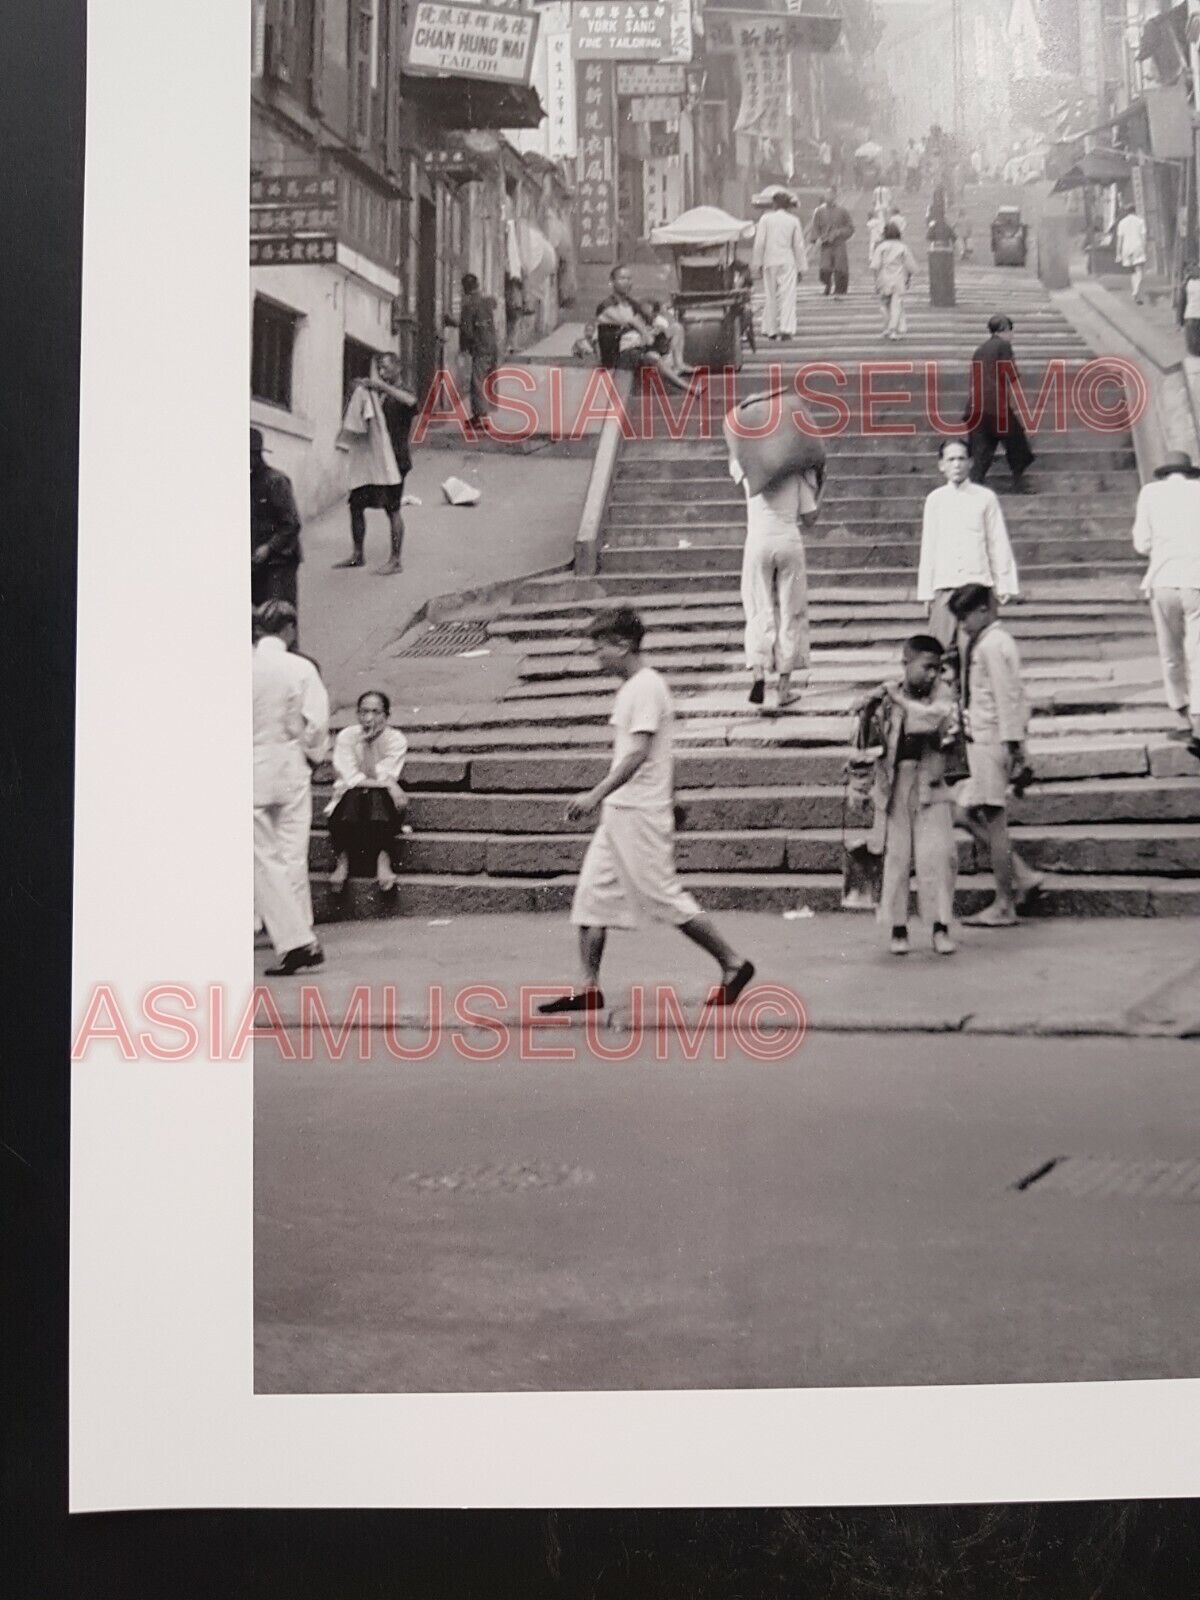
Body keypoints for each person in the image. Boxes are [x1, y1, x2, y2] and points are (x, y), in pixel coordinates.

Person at [537, 607, 755, 1014]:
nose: (596, 656)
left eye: (599, 646)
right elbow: (655, 753)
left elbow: (638, 753)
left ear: (621, 645)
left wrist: (594, 795)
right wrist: (671, 795)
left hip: (638, 812)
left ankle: (733, 963)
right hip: (624, 811)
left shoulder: (645, 686)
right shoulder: (635, 688)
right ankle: (588, 987)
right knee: (591, 897)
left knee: (663, 895)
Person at [850, 635, 960, 956]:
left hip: (932, 782)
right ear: (906, 664)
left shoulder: (942, 697)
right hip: (894, 785)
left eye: (937, 669)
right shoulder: (885, 699)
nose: (932, 675)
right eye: (926, 667)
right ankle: (898, 928)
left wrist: (897, 701)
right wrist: (860, 788)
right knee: (896, 858)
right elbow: (864, 745)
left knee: (938, 855)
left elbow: (931, 720)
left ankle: (940, 926)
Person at [947, 584, 1042, 926]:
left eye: (965, 617)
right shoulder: (990, 643)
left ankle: (1004, 902)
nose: (962, 626)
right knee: (962, 813)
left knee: (993, 821)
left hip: (991, 741)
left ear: (984, 610)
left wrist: (1016, 748)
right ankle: (1023, 875)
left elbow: (1007, 698)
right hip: (985, 740)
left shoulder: (991, 645)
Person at [253, 600, 329, 975]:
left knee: (261, 856)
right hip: (291, 764)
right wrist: (313, 755)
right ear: (290, 629)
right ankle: (300, 930)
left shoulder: (244, 667)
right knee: (291, 851)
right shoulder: (300, 667)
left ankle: (292, 937)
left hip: (251, 766)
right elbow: (315, 722)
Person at [731, 455, 820, 710]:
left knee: (758, 608)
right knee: (791, 612)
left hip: (758, 542)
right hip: (789, 542)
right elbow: (810, 518)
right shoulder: (795, 473)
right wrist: (819, 486)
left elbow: (735, 454)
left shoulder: (749, 467)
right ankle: (783, 687)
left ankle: (758, 672)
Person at [917, 438, 1019, 650]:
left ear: (971, 462)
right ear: (941, 465)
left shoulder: (985, 498)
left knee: (978, 652)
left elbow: (997, 541)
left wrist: (1004, 584)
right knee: (943, 650)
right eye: (951, 459)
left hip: (977, 586)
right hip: (945, 586)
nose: (957, 464)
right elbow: (929, 546)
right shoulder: (935, 500)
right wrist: (926, 592)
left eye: (962, 459)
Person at [1131, 450, 1200, 758]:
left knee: (1170, 650)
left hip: (1162, 579)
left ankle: (1182, 712)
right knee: (1197, 650)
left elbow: (1141, 544)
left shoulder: (1150, 493)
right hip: (1196, 579)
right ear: (1190, 473)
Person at [335, 351, 418, 576]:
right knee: (356, 504)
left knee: (392, 509)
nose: (381, 372)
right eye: (379, 368)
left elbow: (411, 402)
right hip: (372, 460)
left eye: (386, 368)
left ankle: (396, 560)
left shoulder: (403, 391)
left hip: (395, 459)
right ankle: (357, 554)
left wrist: (382, 388)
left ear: (398, 368)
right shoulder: (375, 394)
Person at [326, 689, 410, 893]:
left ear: (386, 716)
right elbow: (352, 778)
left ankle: (383, 858)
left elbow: (385, 775)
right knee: (356, 793)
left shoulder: (396, 739)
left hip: (382, 806)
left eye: (375, 712)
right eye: (363, 712)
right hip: (349, 804)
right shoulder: (347, 736)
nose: (368, 718)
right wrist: (389, 784)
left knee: (375, 796)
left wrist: (371, 748)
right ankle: (343, 860)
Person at [966, 314, 1036, 489]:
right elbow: (1009, 373)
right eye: (1011, 331)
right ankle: (1019, 483)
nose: (1012, 335)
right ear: (1004, 329)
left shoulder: (979, 350)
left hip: (975, 408)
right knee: (1018, 444)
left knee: (982, 452)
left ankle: (973, 487)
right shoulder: (1003, 346)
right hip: (996, 406)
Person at [596, 265, 693, 390]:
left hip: (638, 345)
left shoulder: (632, 303)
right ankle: (686, 387)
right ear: (612, 282)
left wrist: (657, 327)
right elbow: (630, 320)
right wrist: (646, 333)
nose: (627, 282)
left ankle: (679, 364)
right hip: (619, 355)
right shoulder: (606, 306)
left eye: (629, 279)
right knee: (652, 354)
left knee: (676, 328)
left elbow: (648, 320)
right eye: (622, 278)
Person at [250, 428, 302, 614]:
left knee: (278, 619)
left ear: (255, 455)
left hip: (280, 563)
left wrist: (269, 547)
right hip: (256, 565)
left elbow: (292, 524)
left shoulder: (276, 481)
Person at [751, 191, 807, 341]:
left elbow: (760, 243)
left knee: (770, 295)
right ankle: (786, 329)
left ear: (774, 204)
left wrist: (757, 264)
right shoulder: (793, 220)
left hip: (770, 260)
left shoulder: (765, 219)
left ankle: (770, 329)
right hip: (787, 261)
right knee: (788, 295)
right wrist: (802, 268)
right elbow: (798, 246)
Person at [451, 272, 500, 424]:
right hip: (491, 344)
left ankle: (480, 417)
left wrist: (464, 348)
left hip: (480, 346)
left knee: (477, 381)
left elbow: (467, 330)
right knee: (486, 379)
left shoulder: (469, 304)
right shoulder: (485, 301)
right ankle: (482, 414)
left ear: (465, 288)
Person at [870, 219, 918, 341]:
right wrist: (908, 279)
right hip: (898, 278)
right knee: (896, 304)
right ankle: (893, 329)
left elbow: (875, 266)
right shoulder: (902, 247)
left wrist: (875, 282)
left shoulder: (881, 247)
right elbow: (910, 266)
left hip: (884, 278)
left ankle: (887, 327)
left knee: (884, 304)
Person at [808, 189, 855, 296]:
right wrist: (815, 239)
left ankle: (840, 289)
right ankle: (827, 285)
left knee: (840, 268)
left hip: (839, 243)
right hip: (825, 244)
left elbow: (850, 228)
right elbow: (815, 227)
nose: (828, 197)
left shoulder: (843, 211)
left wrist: (839, 232)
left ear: (835, 196)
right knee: (825, 268)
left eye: (831, 195)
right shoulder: (819, 211)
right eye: (826, 195)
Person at [1116, 203, 1148, 304]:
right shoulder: (1140, 221)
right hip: (1137, 247)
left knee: (1132, 272)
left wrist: (1118, 253)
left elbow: (1119, 240)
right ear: (1135, 211)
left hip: (1126, 248)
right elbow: (1144, 238)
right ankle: (1135, 291)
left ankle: (1135, 293)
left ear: (1127, 212)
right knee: (1139, 271)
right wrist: (1144, 249)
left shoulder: (1122, 223)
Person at [1177, 260, 1200, 357]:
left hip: (1190, 318)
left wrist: (1180, 322)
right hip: (1194, 317)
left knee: (1193, 351)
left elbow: (1182, 304)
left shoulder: (1186, 284)